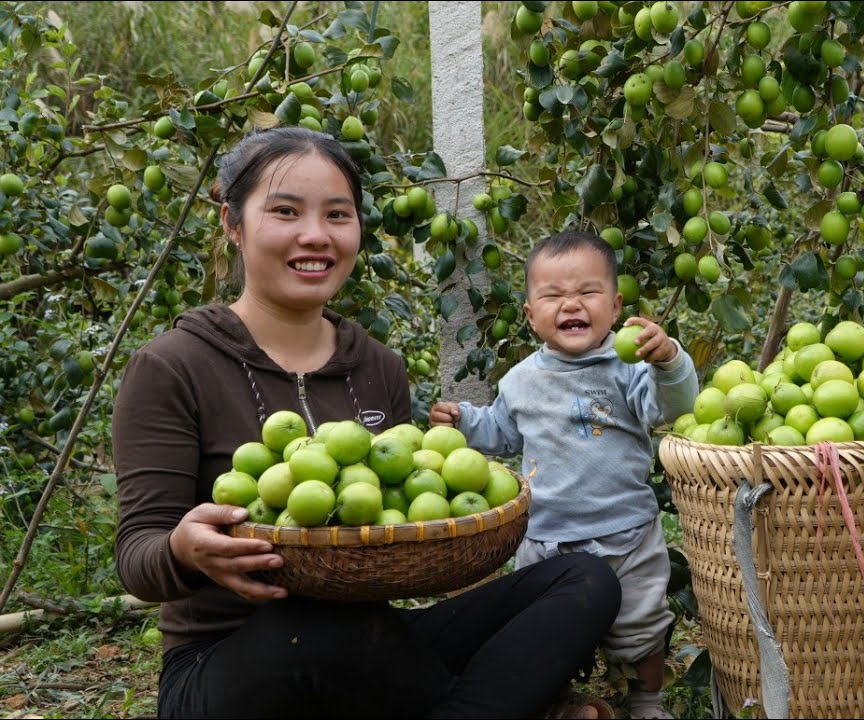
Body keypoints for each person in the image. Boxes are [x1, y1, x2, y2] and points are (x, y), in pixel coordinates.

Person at [113, 126, 621, 720]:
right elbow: (138, 556)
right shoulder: (173, 366)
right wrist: (183, 550)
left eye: (337, 214)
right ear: (233, 222)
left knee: (584, 580)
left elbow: (393, 530)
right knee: (316, 626)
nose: (315, 235)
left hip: (372, 644)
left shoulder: (377, 366)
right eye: (285, 211)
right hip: (230, 664)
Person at [430, 231, 699, 720]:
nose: (571, 304)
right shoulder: (520, 381)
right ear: (531, 315)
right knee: (545, 632)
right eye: (553, 295)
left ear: (614, 307)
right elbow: (500, 433)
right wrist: (463, 422)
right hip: (546, 539)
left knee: (641, 626)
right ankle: (555, 703)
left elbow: (671, 408)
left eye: (588, 292)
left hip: (627, 532)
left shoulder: (629, 368)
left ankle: (647, 702)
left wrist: (669, 362)